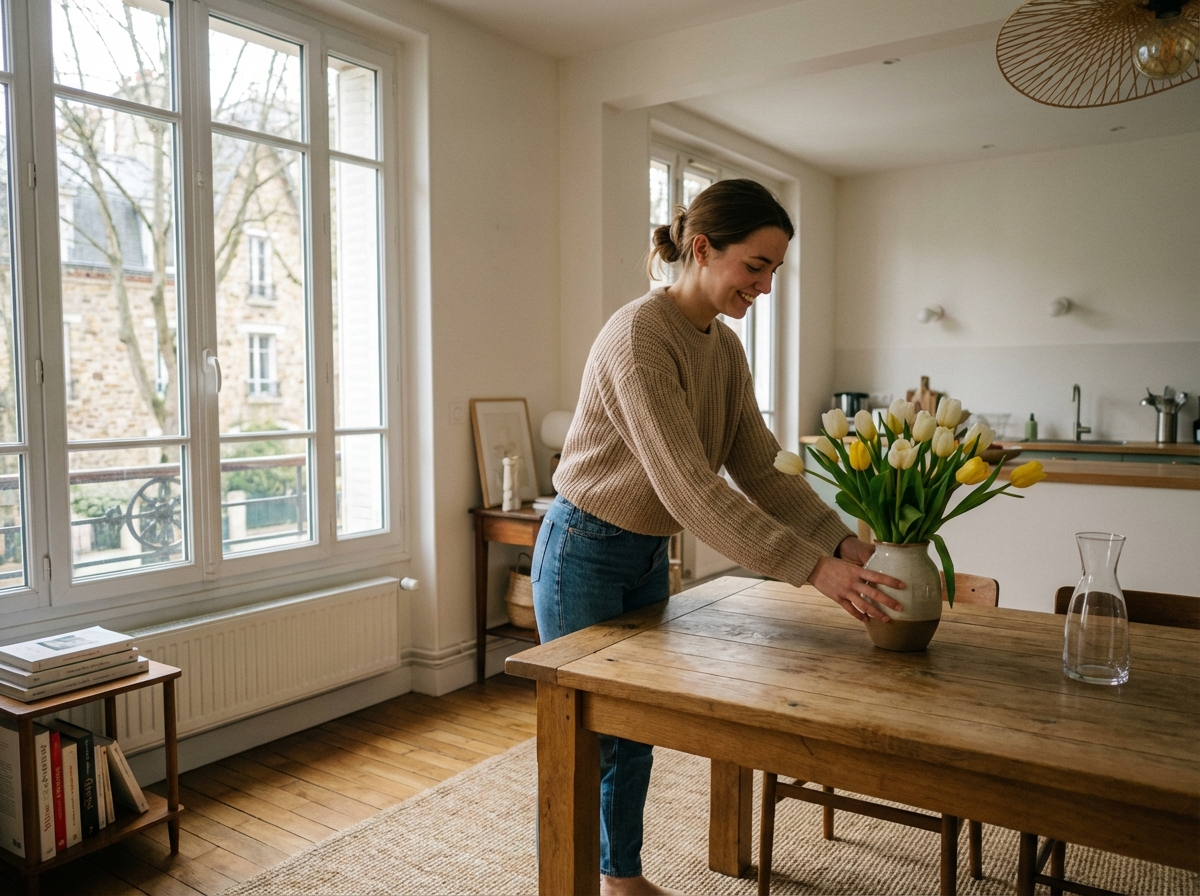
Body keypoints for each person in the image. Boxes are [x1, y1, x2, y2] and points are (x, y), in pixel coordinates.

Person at [529, 179, 904, 896]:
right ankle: (582, 881)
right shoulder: (639, 337)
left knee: (631, 729)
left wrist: (842, 543)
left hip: (640, 552)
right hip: (582, 548)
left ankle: (618, 876)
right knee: (589, 735)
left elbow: (759, 466)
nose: (764, 286)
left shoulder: (724, 350)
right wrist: (812, 570)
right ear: (702, 249)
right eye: (755, 266)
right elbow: (691, 489)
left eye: (774, 271)